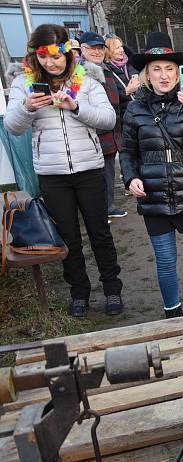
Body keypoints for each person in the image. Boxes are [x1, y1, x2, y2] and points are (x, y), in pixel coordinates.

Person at [5, 24, 123, 317]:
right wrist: (27, 107)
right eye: (44, 56)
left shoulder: (87, 81)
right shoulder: (24, 85)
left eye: (56, 55)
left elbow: (108, 119)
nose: (51, 62)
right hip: (52, 174)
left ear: (68, 54)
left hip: (89, 170)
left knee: (100, 234)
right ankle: (79, 292)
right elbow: (12, 127)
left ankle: (112, 289)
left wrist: (75, 107)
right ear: (35, 56)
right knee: (68, 237)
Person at [121, 33, 183, 318]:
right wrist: (130, 178)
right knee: (165, 260)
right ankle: (172, 315)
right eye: (156, 69)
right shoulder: (134, 109)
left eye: (169, 69)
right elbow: (127, 151)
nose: (163, 75)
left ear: (178, 73)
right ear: (146, 75)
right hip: (153, 194)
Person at [79, 31, 126, 220]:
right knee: (94, 178)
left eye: (100, 48)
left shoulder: (107, 69)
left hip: (112, 131)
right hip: (92, 133)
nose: (97, 52)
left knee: (108, 173)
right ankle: (98, 211)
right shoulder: (79, 72)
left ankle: (108, 206)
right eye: (92, 48)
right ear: (83, 49)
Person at [104, 35, 139, 119]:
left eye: (121, 47)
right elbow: (107, 98)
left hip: (139, 112)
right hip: (123, 117)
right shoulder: (105, 70)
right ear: (108, 51)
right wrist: (126, 92)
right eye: (117, 48)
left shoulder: (132, 64)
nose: (122, 50)